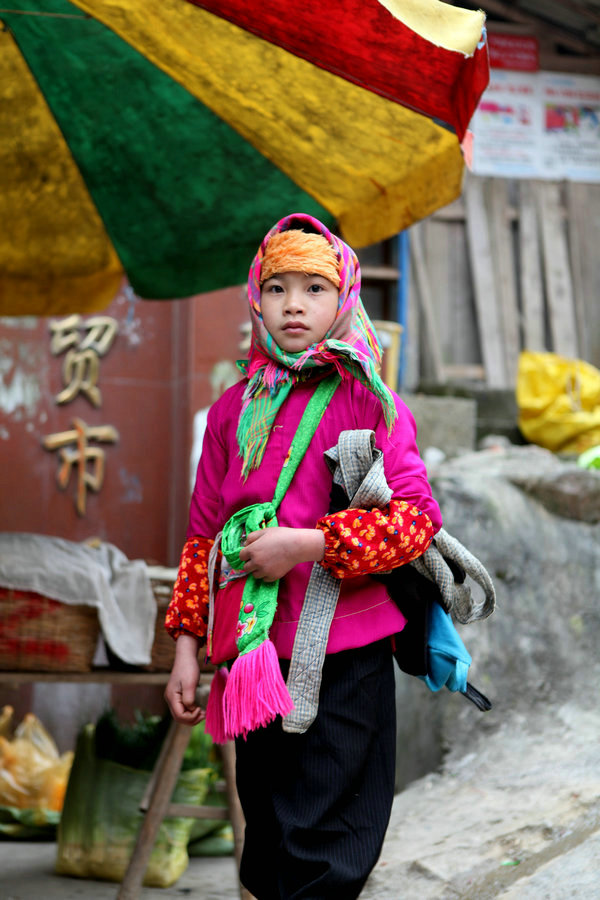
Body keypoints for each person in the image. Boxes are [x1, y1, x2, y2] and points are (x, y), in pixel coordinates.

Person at [164, 213, 442, 899]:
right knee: (272, 830)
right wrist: (186, 647)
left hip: (347, 657)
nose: (294, 304)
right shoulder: (235, 408)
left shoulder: (368, 401)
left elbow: (417, 525)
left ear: (343, 298)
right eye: (278, 287)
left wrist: (309, 545)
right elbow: (203, 536)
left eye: (315, 288)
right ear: (254, 300)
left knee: (331, 838)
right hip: (253, 657)